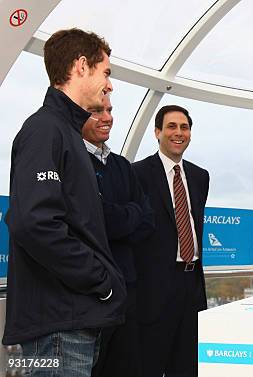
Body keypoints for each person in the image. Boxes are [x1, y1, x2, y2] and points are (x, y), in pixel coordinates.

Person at [2, 28, 127, 376]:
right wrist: (99, 281)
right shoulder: (45, 130)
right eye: (106, 72)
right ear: (82, 66)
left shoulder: (66, 133)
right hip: (59, 327)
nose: (110, 84)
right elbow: (34, 222)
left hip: (69, 321)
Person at [133, 105, 209, 377]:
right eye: (172, 127)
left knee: (188, 367)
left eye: (184, 127)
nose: (179, 133)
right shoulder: (137, 174)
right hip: (154, 291)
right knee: (150, 364)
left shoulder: (200, 176)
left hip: (192, 287)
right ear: (157, 132)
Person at [82, 94, 154, 377]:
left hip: (126, 291)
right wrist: (129, 213)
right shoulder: (74, 161)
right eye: (96, 111)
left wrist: (118, 215)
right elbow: (94, 220)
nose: (107, 117)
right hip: (90, 293)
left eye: (110, 110)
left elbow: (148, 221)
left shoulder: (123, 166)